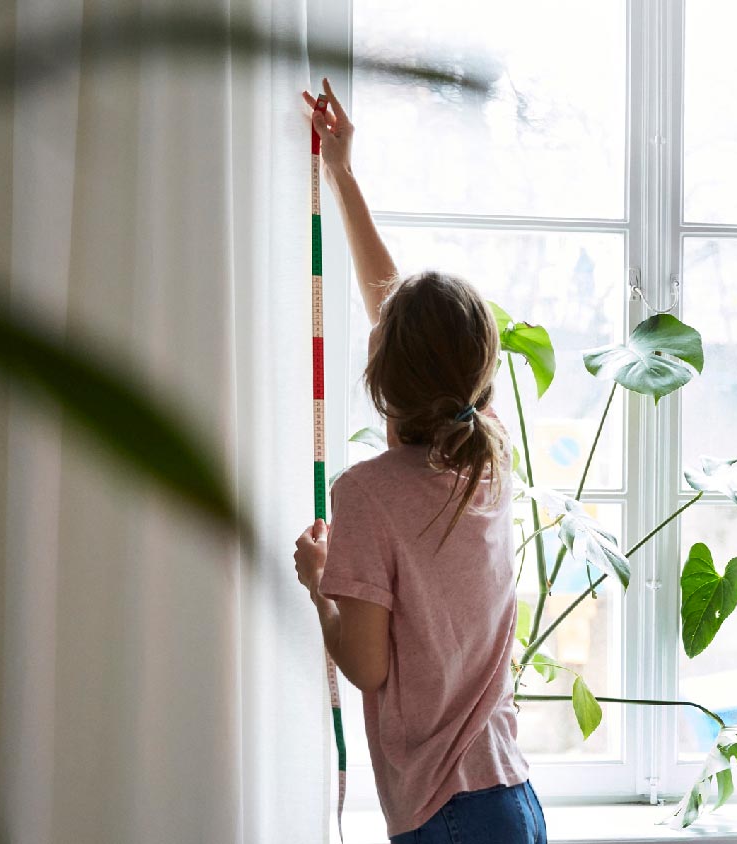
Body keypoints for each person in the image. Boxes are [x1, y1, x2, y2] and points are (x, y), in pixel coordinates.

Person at [291, 78, 547, 844]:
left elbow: (367, 668)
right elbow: (398, 314)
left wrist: (318, 587)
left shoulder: (366, 495)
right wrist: (342, 173)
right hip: (513, 797)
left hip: (446, 818)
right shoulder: (487, 454)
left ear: (383, 376)